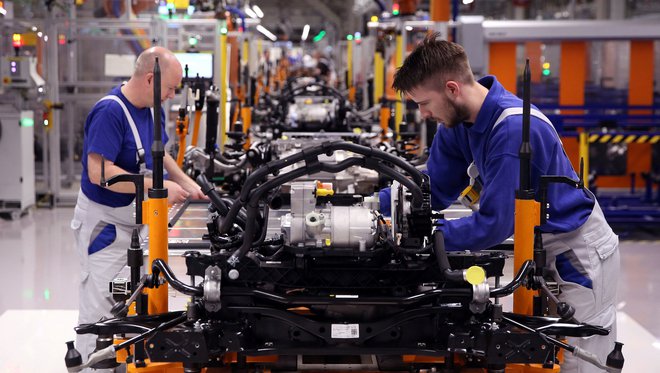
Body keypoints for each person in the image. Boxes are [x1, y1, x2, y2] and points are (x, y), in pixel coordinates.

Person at [389, 33, 619, 373]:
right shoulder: (458, 124)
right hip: (535, 242)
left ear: (452, 89)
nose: (422, 114)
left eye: (424, 103)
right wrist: (377, 211)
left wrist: (428, 237)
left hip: (575, 249)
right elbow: (432, 188)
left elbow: (494, 224)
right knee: (542, 354)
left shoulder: (511, 129)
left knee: (580, 355)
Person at [70, 46, 205, 369]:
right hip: (103, 226)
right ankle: (90, 365)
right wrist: (158, 189)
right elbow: (99, 173)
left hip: (132, 219)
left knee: (129, 297)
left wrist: (186, 183)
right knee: (99, 304)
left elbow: (160, 154)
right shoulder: (110, 112)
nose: (172, 95)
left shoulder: (150, 107)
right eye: (171, 88)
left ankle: (122, 361)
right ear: (150, 79)